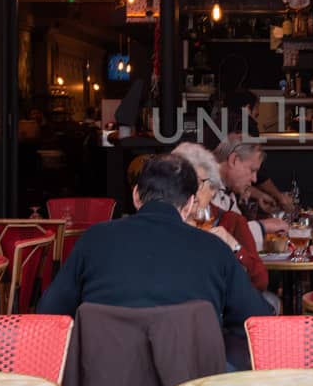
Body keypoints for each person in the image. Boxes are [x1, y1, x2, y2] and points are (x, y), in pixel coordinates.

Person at [38, 154, 273, 366]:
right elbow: (258, 318)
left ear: (136, 196)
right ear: (190, 203)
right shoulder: (214, 249)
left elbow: (48, 313)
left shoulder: (94, 240)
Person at [170, 141, 270, 294]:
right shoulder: (165, 221)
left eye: (198, 183)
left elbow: (260, 281)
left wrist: (235, 247)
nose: (190, 191)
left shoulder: (232, 221)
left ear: (213, 188)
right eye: (182, 182)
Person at [213, 136, 291, 247]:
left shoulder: (228, 192)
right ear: (233, 160)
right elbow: (217, 238)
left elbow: (238, 231)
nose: (254, 179)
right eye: (252, 170)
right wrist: (262, 226)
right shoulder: (204, 187)